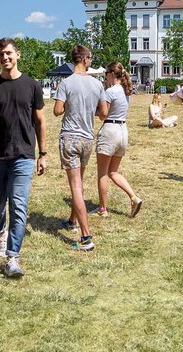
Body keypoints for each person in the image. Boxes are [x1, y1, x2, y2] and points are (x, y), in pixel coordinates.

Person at [0, 37, 47, 278]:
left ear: (18, 54)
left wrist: (43, 154)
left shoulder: (32, 85)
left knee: (19, 205)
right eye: (0, 54)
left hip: (23, 156)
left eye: (8, 53)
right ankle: (0, 234)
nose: (5, 57)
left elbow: (39, 121)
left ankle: (12, 257)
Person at [53, 44, 105, 251]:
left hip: (70, 138)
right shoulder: (97, 84)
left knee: (75, 186)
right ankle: (72, 221)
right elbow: (103, 112)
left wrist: (69, 105)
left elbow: (57, 111)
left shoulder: (65, 83)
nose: (90, 61)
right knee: (79, 183)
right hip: (87, 139)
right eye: (90, 58)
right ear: (84, 59)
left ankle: (86, 237)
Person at [95, 61, 143, 218]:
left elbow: (103, 114)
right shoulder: (125, 91)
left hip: (110, 131)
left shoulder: (109, 92)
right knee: (113, 172)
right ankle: (134, 197)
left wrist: (90, 110)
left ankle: (103, 209)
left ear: (110, 74)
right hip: (123, 131)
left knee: (102, 173)